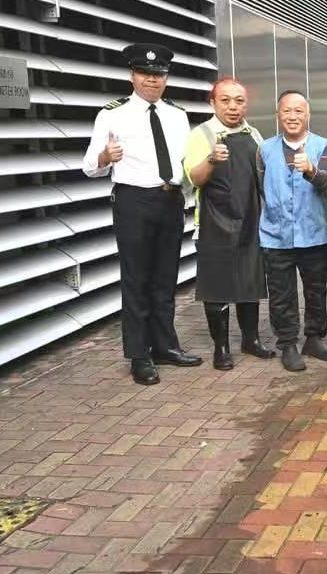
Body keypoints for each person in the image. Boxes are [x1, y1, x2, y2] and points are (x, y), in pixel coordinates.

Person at [82, 43, 202, 385]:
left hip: (170, 200)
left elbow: (184, 164)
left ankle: (165, 345)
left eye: (159, 74)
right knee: (136, 280)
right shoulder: (112, 114)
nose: (152, 80)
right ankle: (139, 355)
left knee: (166, 277)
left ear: (166, 78)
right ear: (132, 76)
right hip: (133, 201)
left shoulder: (177, 115)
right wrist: (105, 156)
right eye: (145, 74)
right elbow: (89, 166)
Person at [183, 78, 274, 370]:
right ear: (213, 103)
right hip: (215, 221)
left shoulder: (253, 134)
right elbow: (195, 178)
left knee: (249, 280)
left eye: (239, 100)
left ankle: (251, 339)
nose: (233, 107)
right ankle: (221, 348)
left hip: (250, 218)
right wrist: (211, 160)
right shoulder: (201, 134)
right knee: (217, 285)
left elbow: (263, 176)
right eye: (225, 100)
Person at [257, 90, 327, 372]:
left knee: (316, 291)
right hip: (275, 235)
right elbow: (261, 186)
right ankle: (288, 344)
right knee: (281, 295)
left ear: (308, 114)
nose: (292, 116)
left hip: (313, 234)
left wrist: (310, 171)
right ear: (277, 115)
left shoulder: (325, 146)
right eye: (286, 111)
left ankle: (314, 339)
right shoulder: (264, 149)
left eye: (298, 111)